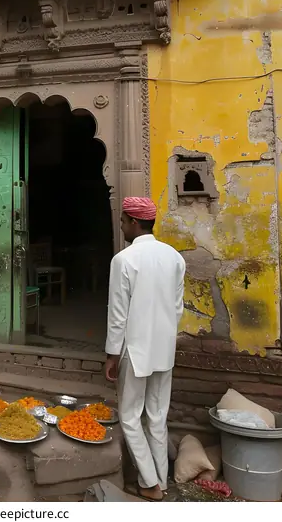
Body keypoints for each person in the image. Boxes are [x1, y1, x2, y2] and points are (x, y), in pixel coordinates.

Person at [105, 196, 185, 501]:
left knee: (129, 416)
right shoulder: (174, 257)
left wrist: (112, 354)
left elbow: (118, 314)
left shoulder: (124, 260)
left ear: (134, 222)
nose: (122, 226)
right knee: (157, 415)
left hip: (134, 351)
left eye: (124, 221)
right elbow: (176, 310)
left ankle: (150, 483)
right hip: (164, 350)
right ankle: (161, 480)